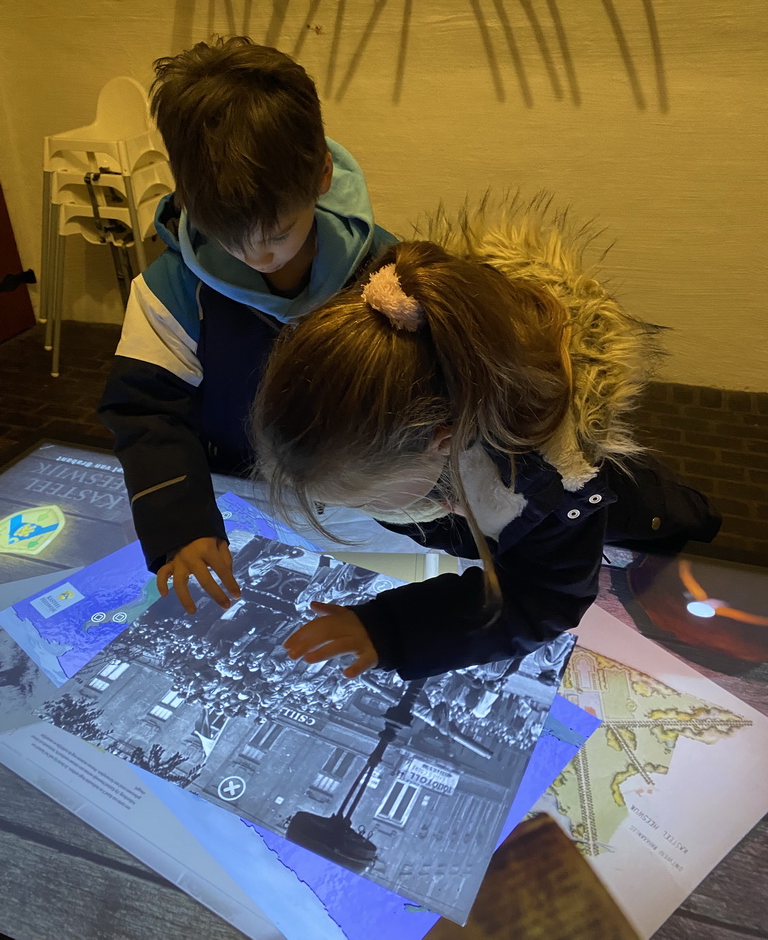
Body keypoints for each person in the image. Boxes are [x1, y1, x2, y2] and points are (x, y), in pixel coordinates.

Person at [250, 201, 722, 681]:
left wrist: (392, 629)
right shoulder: (397, 359)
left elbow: (542, 596)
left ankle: (704, 527)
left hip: (635, 513)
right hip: (515, 506)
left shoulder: (554, 484)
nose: (366, 509)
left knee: (682, 530)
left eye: (369, 499)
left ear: (443, 442)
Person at [98, 36, 397, 615]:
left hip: (361, 496)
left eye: (277, 231)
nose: (255, 254)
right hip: (237, 482)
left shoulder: (384, 273)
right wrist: (180, 523)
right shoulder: (172, 287)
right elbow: (144, 409)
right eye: (227, 234)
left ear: (320, 175)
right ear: (186, 198)